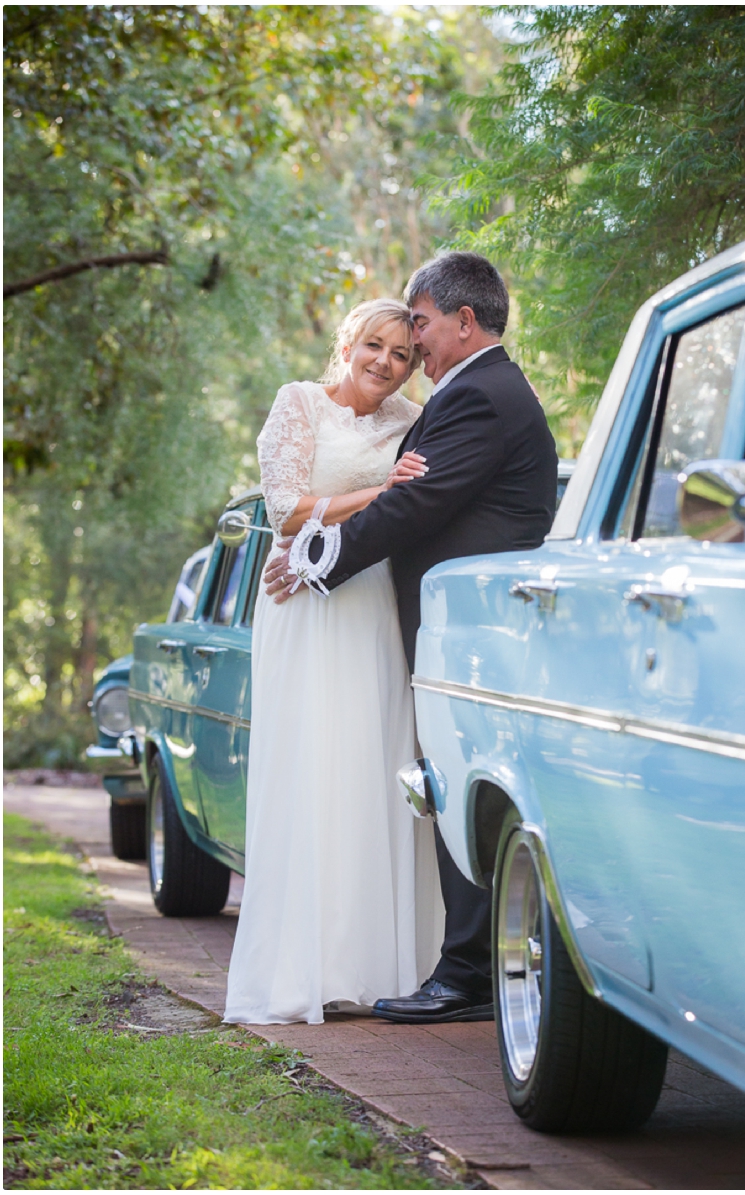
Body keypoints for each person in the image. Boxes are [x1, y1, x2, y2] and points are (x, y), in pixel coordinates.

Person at [265, 252, 558, 1024]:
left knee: (454, 787)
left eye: (418, 329)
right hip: (427, 623)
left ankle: (465, 970)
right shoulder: (477, 390)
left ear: (464, 322)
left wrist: (315, 557)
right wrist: (307, 541)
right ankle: (458, 961)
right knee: (441, 785)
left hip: (462, 627)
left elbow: (418, 504)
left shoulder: (482, 396)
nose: (409, 353)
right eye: (389, 342)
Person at [224, 298, 445, 1027]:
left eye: (401, 354)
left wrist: (389, 501)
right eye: (374, 345)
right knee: (310, 771)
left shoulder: (414, 421)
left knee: (371, 770)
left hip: (374, 605)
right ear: (349, 342)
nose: (385, 362)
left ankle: (383, 966)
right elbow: (286, 508)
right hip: (308, 610)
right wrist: (383, 491)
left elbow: (422, 509)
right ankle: (305, 966)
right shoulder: (297, 403)